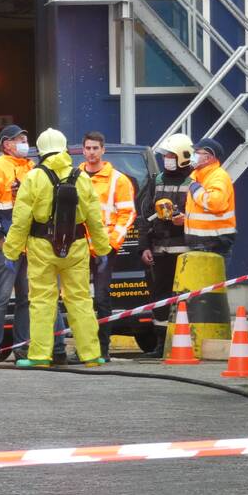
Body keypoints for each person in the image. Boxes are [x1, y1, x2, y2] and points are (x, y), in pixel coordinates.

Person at [3, 128, 111, 368]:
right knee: (80, 299)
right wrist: (102, 249)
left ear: (40, 150)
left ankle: (40, 356)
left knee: (42, 301)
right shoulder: (81, 176)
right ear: (64, 148)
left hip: (42, 247)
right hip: (77, 245)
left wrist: (11, 252)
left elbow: (21, 219)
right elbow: (94, 216)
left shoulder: (34, 177)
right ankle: (91, 355)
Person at [0, 125, 65, 366]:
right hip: (7, 246)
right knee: (1, 298)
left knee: (26, 298)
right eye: (19, 139)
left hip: (29, 245)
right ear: (6, 144)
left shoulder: (31, 168)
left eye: (25, 138)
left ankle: (21, 348)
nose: (25, 142)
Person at [78, 131, 136, 360]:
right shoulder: (75, 176)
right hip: (78, 247)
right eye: (88, 148)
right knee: (79, 299)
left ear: (103, 150)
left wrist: (112, 242)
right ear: (83, 150)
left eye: (95, 148)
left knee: (101, 298)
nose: (91, 152)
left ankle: (102, 349)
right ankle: (85, 348)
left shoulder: (118, 180)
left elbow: (127, 213)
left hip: (104, 248)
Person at [138, 133, 194, 357]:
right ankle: (161, 345)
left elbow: (202, 214)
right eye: (165, 155)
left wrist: (185, 220)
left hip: (185, 252)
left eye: (171, 155)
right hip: (160, 251)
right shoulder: (156, 181)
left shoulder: (194, 183)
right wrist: (144, 247)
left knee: (185, 299)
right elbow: (145, 216)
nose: (166, 159)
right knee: (160, 298)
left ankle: (185, 344)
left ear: (182, 157)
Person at [184, 137, 236, 262]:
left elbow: (214, 203)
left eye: (197, 153)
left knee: (212, 282)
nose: (193, 156)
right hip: (198, 245)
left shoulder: (219, 176)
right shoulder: (195, 175)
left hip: (215, 245)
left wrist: (196, 189)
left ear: (208, 157)